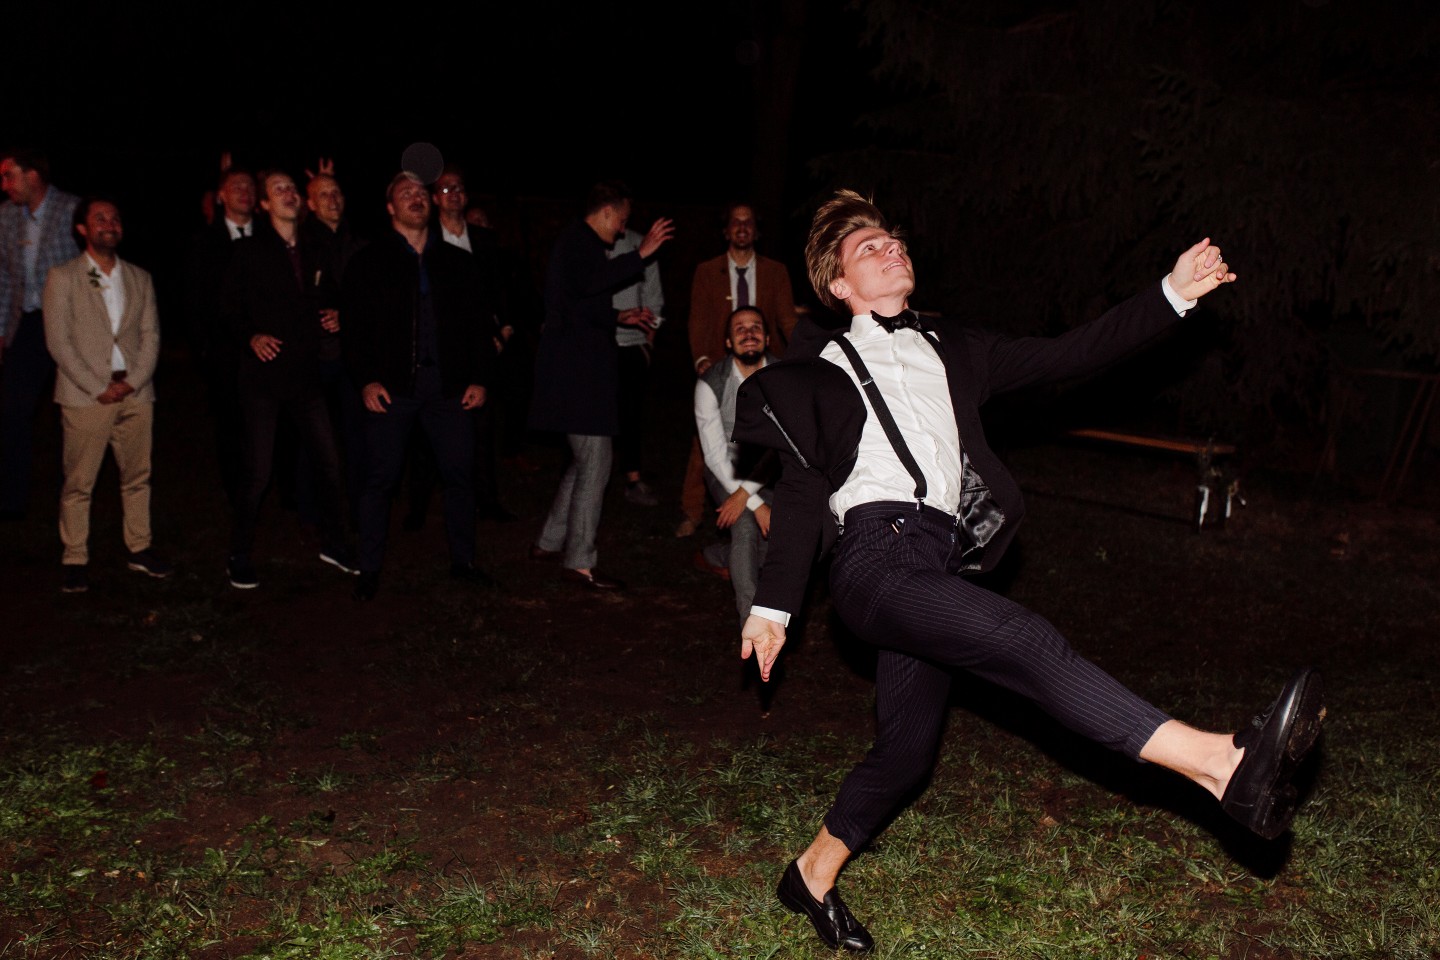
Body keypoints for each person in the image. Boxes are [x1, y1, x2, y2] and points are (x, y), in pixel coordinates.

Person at [733, 189, 1326, 953]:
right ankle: (1219, 764)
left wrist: (1171, 294)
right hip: (874, 560)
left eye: (894, 239)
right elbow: (802, 491)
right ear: (838, 284)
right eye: (868, 248)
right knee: (1022, 637)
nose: (891, 249)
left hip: (937, 560)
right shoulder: (820, 368)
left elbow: (1067, 354)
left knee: (906, 754)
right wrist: (773, 607)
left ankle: (810, 875)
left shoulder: (955, 347)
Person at [343, 170, 497, 602]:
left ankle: (463, 563)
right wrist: (366, 380)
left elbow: (477, 327)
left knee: (459, 476)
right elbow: (354, 331)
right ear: (390, 207)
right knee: (380, 480)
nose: (416, 197)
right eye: (404, 193)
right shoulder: (368, 262)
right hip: (393, 389)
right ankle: (369, 569)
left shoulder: (457, 263)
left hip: (448, 390)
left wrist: (480, 378)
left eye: (420, 192)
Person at [527, 180, 674, 591]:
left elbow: (575, 303)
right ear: (607, 212)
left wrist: (617, 317)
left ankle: (549, 541)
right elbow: (588, 283)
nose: (623, 229)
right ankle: (579, 562)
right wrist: (640, 254)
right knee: (595, 461)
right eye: (622, 220)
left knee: (584, 460)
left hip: (579, 372)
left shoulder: (581, 245)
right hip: (577, 375)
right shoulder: (579, 242)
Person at [221, 168, 357, 590]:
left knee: (329, 462)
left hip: (305, 375)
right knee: (258, 472)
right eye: (279, 189)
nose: (289, 194)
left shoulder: (315, 248)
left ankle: (334, 543)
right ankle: (238, 555)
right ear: (264, 204)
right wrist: (251, 336)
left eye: (293, 188)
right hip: (263, 378)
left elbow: (332, 294)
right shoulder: (248, 251)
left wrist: (337, 313)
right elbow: (227, 309)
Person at [42, 196, 173, 593]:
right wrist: (98, 386)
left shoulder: (140, 277)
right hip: (86, 396)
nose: (110, 224)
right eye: (100, 218)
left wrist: (134, 380)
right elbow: (59, 342)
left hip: (136, 392)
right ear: (82, 229)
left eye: (115, 218)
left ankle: (139, 547)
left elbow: (151, 335)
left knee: (138, 476)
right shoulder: (63, 277)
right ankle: (75, 556)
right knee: (79, 481)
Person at [676, 201, 798, 538]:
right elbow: (697, 319)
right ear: (726, 230)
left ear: (756, 231)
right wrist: (701, 358)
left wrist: (803, 356)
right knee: (705, 443)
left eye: (748, 222)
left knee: (774, 438)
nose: (742, 227)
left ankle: (774, 506)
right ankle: (691, 511)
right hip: (722, 365)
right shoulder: (707, 271)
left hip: (763, 366)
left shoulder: (776, 271)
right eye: (735, 222)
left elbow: (787, 319)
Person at [0, 147, 82, 521]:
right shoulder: (6, 216)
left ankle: (74, 495)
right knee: (13, 409)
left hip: (69, 322)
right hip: (29, 323)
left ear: (32, 175)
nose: (5, 184)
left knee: (73, 410)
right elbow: (5, 276)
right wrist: (2, 330)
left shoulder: (71, 209)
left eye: (9, 175)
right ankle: (13, 497)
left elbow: (91, 266)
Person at [694, 306, 779, 625]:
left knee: (789, 531)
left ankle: (718, 555)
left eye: (755, 327)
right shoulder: (710, 383)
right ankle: (751, 622)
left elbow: (783, 447)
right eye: (740, 329)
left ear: (767, 338)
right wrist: (755, 505)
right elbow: (714, 455)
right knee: (745, 525)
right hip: (727, 470)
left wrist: (746, 496)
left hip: (776, 466)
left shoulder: (786, 377)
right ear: (728, 342)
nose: (749, 333)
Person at [185, 165, 258, 511]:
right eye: (236, 186)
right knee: (230, 424)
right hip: (224, 353)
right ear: (221, 196)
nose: (244, 191)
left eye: (249, 186)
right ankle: (236, 491)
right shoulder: (204, 243)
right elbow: (195, 301)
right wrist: (203, 350)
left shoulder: (271, 238)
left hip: (268, 351)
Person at [299, 168, 369, 525]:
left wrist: (348, 315)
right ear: (310, 204)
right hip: (315, 356)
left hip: (353, 357)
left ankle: (358, 508)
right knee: (314, 438)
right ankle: (313, 510)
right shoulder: (301, 244)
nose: (333, 199)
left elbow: (372, 295)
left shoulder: (359, 243)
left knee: (357, 435)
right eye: (323, 194)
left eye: (337, 192)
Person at [608, 225, 665, 507]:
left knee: (631, 414)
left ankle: (632, 479)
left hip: (633, 344)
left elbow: (653, 295)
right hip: (599, 344)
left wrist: (647, 343)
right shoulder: (589, 242)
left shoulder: (641, 242)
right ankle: (586, 478)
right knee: (594, 417)